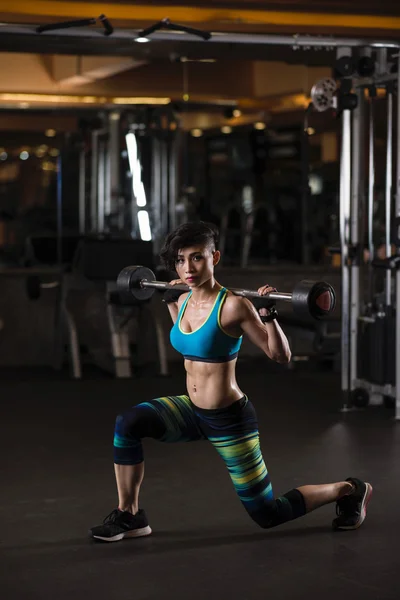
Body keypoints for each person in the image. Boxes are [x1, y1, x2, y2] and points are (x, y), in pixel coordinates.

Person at [90, 221, 372, 542]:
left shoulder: (235, 306)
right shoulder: (181, 300)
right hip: (192, 411)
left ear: (215, 258)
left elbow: (280, 356)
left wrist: (269, 315)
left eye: (197, 258)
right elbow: (189, 341)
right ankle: (129, 515)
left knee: (268, 514)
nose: (188, 268)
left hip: (229, 419)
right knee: (128, 423)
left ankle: (350, 489)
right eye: (181, 260)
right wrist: (169, 300)